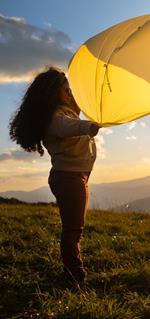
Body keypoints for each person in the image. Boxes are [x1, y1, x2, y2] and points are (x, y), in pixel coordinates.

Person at [9, 67, 100, 290]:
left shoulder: (67, 111)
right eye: (65, 89)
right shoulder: (55, 119)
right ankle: (75, 278)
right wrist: (89, 126)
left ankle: (74, 274)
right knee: (73, 229)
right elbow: (68, 127)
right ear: (53, 93)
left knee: (75, 227)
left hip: (77, 176)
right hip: (68, 178)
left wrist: (80, 92)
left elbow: (81, 106)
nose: (69, 93)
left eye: (70, 89)